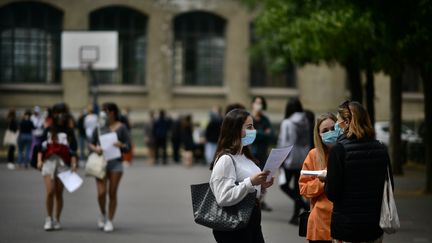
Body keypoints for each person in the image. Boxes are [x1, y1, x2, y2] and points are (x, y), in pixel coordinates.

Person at [325, 101, 392, 243]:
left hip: (346, 226)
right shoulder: (381, 149)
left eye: (339, 121)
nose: (337, 125)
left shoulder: (339, 150)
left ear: (347, 122)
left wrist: (326, 179)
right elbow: (389, 185)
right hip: (373, 225)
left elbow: (332, 193)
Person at [209, 108, 274, 243]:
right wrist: (251, 182)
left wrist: (261, 187)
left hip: (252, 220)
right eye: (249, 127)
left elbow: (248, 189)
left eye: (253, 126)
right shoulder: (226, 159)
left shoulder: (245, 155)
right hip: (235, 225)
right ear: (235, 129)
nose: (254, 130)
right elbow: (223, 197)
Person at [88, 102, 131, 232]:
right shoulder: (99, 127)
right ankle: (102, 213)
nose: (102, 114)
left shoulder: (122, 127)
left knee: (112, 193)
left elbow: (128, 146)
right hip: (100, 162)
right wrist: (96, 149)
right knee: (101, 193)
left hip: (116, 163)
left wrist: (121, 145)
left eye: (104, 111)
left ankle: (110, 220)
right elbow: (90, 143)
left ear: (112, 112)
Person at [37, 103, 78, 231]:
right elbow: (41, 147)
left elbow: (73, 150)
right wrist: (39, 160)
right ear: (53, 114)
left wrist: (74, 163)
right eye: (57, 112)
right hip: (49, 163)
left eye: (62, 112)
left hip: (63, 164)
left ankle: (57, 219)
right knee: (50, 192)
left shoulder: (69, 131)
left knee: (59, 194)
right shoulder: (49, 129)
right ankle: (48, 218)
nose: (60, 115)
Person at [299, 113, 337, 243]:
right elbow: (304, 189)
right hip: (320, 225)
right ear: (319, 135)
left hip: (344, 223)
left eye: (333, 128)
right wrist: (321, 181)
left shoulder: (347, 152)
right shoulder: (314, 155)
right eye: (325, 131)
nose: (330, 133)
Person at [277, 97, 311, 225]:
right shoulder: (306, 120)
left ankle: (305, 206)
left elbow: (285, 142)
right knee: (298, 188)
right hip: (303, 158)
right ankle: (295, 216)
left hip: (290, 159)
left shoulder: (287, 122)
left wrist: (281, 159)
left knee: (284, 185)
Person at [250, 96, 274, 212]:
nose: (258, 105)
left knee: (264, 177)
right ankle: (252, 200)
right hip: (251, 153)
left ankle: (261, 201)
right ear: (252, 104)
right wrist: (262, 133)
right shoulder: (249, 118)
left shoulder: (265, 119)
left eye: (261, 103)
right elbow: (250, 135)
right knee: (252, 177)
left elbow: (271, 136)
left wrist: (257, 134)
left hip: (263, 153)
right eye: (257, 102)